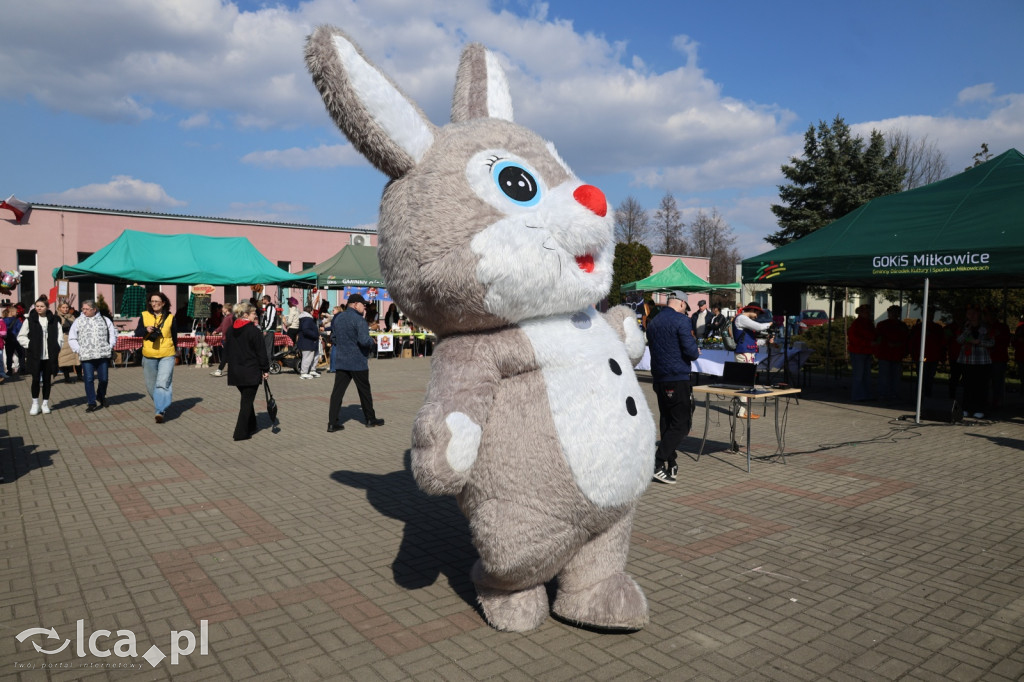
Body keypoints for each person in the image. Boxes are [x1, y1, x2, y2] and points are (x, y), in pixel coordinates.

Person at [645, 291, 701, 484]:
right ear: (682, 304)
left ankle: (671, 463)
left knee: (667, 421)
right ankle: (656, 463)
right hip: (677, 377)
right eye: (686, 308)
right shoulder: (682, 320)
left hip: (659, 378)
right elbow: (691, 352)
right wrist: (696, 350)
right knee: (681, 424)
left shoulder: (653, 322)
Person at [327, 293, 384, 431]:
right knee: (364, 391)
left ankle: (332, 423)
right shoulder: (359, 320)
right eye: (363, 305)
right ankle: (370, 419)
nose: (365, 307)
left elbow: (333, 338)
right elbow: (364, 340)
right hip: (357, 361)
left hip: (342, 360)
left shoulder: (338, 318)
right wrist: (372, 342)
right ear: (355, 304)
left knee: (337, 392)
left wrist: (344, 345)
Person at [225, 301, 270, 441]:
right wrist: (265, 369)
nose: (255, 315)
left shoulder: (231, 330)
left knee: (246, 398)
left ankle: (252, 425)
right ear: (245, 314)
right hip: (250, 371)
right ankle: (240, 433)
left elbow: (227, 350)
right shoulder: (253, 331)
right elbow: (261, 352)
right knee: (246, 402)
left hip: (236, 371)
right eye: (253, 313)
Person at [67, 299, 118, 412]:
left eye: (86, 309)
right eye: (83, 309)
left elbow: (113, 333)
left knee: (103, 379)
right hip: (87, 356)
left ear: (94, 309)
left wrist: (110, 346)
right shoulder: (78, 321)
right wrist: (79, 349)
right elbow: (72, 337)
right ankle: (91, 402)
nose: (84, 311)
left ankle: (100, 395)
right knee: (89, 379)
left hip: (102, 355)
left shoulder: (105, 320)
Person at [135, 292, 177, 423]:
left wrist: (176, 351)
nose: (154, 304)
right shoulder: (144, 315)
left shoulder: (171, 317)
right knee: (151, 385)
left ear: (163, 303)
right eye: (152, 301)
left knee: (163, 383)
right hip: (149, 355)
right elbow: (137, 333)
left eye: (156, 301)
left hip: (167, 354)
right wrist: (145, 330)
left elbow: (174, 336)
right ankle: (161, 403)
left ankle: (160, 411)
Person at [17, 296, 61, 415]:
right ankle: (35, 403)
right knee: (35, 379)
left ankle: (45, 404)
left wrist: (57, 347)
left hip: (49, 356)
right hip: (35, 356)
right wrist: (30, 345)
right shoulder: (30, 320)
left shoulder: (53, 320)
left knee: (47, 380)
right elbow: (21, 336)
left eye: (41, 306)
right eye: (37, 306)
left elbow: (59, 336)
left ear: (47, 307)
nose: (39, 308)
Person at [732, 304, 774, 417]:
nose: (757, 316)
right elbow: (759, 327)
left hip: (746, 353)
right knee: (745, 383)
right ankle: (742, 412)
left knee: (746, 383)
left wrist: (766, 341)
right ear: (751, 309)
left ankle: (743, 410)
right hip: (744, 353)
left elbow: (752, 341)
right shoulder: (741, 318)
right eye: (757, 313)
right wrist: (770, 324)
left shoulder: (744, 322)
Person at [957, 304, 993, 419]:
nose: (972, 316)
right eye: (969, 313)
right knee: (968, 386)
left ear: (979, 315)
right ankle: (966, 408)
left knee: (981, 386)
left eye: (974, 313)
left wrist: (979, 342)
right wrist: (967, 331)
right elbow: (959, 340)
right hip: (967, 361)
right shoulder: (964, 326)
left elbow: (992, 342)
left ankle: (980, 409)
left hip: (982, 361)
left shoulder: (985, 327)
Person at [874, 305, 909, 402]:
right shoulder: (882, 325)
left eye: (895, 312)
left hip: (896, 355)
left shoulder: (902, 326)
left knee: (895, 377)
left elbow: (906, 339)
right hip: (885, 354)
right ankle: (883, 394)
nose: (893, 314)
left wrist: (900, 346)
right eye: (891, 312)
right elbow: (878, 338)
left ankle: (894, 394)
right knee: (884, 376)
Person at [909, 310, 945, 398]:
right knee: (921, 377)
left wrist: (942, 357)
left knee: (930, 378)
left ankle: (928, 396)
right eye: (928, 314)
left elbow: (942, 343)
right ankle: (919, 397)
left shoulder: (937, 328)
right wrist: (913, 355)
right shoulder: (918, 327)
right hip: (921, 357)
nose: (930, 316)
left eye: (931, 314)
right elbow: (912, 342)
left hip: (933, 357)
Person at [847, 304, 876, 402]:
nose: (867, 313)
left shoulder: (869, 323)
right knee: (859, 375)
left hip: (866, 351)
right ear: (860, 313)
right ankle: (857, 395)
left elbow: (873, 335)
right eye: (865, 312)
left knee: (866, 375)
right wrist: (868, 343)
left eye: (868, 311)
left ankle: (866, 394)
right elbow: (854, 339)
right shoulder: (856, 324)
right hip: (858, 351)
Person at [983, 307, 1010, 411]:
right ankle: (984, 401)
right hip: (985, 359)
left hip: (998, 358)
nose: (989, 316)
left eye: (992, 314)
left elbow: (1006, 342)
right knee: (984, 382)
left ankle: (996, 402)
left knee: (997, 382)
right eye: (987, 314)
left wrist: (995, 337)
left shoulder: (1003, 327)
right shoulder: (983, 327)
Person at [56, 301, 83, 383]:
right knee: (65, 359)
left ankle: (79, 376)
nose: (65, 309)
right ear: (59, 308)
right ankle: (67, 378)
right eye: (63, 307)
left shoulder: (72, 316)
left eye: (67, 307)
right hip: (64, 339)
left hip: (74, 339)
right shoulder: (57, 317)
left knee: (77, 358)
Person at [297, 305, 321, 378]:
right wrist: (315, 335)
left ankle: (311, 370)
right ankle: (304, 373)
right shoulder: (307, 319)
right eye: (312, 311)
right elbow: (306, 330)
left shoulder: (307, 318)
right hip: (307, 341)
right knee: (307, 357)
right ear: (310, 311)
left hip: (310, 341)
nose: (313, 312)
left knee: (313, 357)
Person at [210, 304, 234, 377]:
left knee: (225, 355)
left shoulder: (228, 318)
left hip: (227, 339)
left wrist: (223, 338)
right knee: (229, 355)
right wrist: (216, 331)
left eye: (223, 308)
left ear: (226, 309)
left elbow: (225, 329)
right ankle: (230, 370)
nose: (222, 309)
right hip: (229, 339)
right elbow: (221, 326)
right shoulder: (228, 317)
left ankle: (219, 370)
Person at [5, 303, 25, 376]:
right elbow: (21, 329)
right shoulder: (17, 320)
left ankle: (9, 370)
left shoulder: (3, 320)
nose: (17, 313)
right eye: (16, 312)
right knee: (21, 354)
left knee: (9, 355)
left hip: (8, 340)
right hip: (17, 340)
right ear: (12, 312)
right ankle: (22, 369)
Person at [259, 294, 278, 365]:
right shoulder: (268, 308)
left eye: (263, 299)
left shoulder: (270, 307)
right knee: (266, 347)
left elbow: (270, 320)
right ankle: (268, 363)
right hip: (267, 330)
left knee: (268, 348)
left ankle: (269, 364)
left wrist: (266, 329)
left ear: (266, 300)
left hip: (269, 331)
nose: (262, 301)